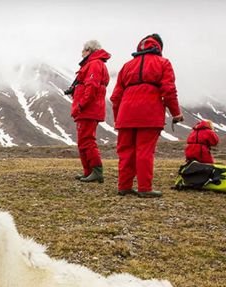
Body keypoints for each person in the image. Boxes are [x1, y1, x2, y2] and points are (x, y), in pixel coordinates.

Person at [110, 33, 184, 197]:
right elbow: (169, 90)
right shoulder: (163, 63)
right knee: (144, 151)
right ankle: (144, 188)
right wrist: (176, 113)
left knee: (125, 152)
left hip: (126, 114)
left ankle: (124, 186)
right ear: (159, 47)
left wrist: (118, 119)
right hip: (150, 113)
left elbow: (115, 97)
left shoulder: (127, 66)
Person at [70, 40, 111, 183]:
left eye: (83, 50)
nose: (81, 53)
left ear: (89, 50)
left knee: (87, 140)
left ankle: (96, 171)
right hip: (88, 109)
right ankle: (88, 172)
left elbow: (92, 87)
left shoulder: (94, 64)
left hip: (88, 109)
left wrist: (81, 104)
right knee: (83, 141)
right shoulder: (95, 64)